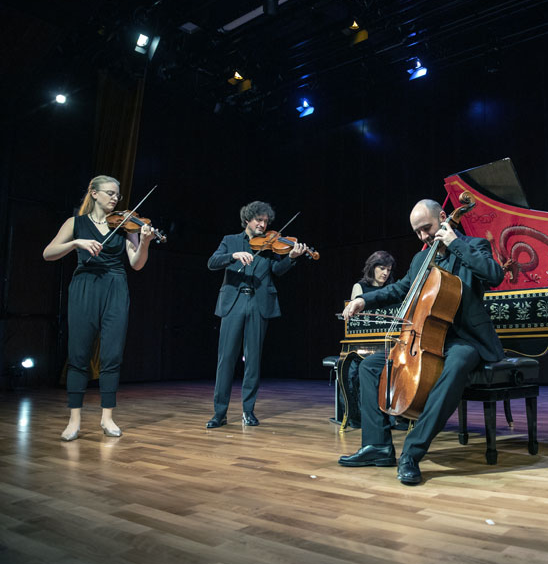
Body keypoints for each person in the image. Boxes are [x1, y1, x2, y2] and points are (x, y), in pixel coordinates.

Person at [338, 200, 505, 485]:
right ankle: (377, 445)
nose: (423, 237)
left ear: (443, 217)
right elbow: (401, 288)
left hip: (464, 340)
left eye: (426, 228)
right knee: (369, 367)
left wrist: (454, 243)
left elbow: (494, 275)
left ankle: (412, 453)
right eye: (417, 232)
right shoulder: (420, 259)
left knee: (458, 363)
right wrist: (363, 300)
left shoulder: (473, 245)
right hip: (425, 338)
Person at [42, 175, 156, 441]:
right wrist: (75, 243)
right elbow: (48, 253)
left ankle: (107, 417)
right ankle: (74, 420)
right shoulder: (76, 224)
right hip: (84, 287)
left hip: (116, 287)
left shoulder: (127, 226)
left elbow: (137, 263)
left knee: (112, 354)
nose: (115, 199)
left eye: (118, 195)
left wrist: (146, 241)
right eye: (110, 193)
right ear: (93, 193)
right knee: (78, 353)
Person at [205, 201, 307, 429]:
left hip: (259, 303)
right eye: (259, 220)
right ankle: (219, 413)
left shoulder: (271, 247)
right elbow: (212, 262)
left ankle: (248, 411)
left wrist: (291, 258)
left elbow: (277, 271)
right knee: (226, 360)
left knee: (253, 360)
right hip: (234, 302)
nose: (263, 224)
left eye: (265, 221)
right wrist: (234, 255)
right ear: (247, 220)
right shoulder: (230, 240)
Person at [342, 251, 400, 429]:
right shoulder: (360, 288)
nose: (385, 273)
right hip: (364, 344)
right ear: (372, 268)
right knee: (355, 368)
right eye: (382, 268)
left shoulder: (392, 289)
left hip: (388, 342)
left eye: (388, 270)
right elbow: (355, 320)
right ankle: (358, 416)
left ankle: (396, 415)